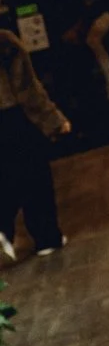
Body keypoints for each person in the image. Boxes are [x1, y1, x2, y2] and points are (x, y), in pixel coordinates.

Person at [0, 27, 70, 259]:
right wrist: (54, 119)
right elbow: (27, 88)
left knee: (7, 178)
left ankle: (3, 227)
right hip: (10, 116)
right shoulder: (5, 41)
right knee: (35, 177)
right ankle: (46, 238)